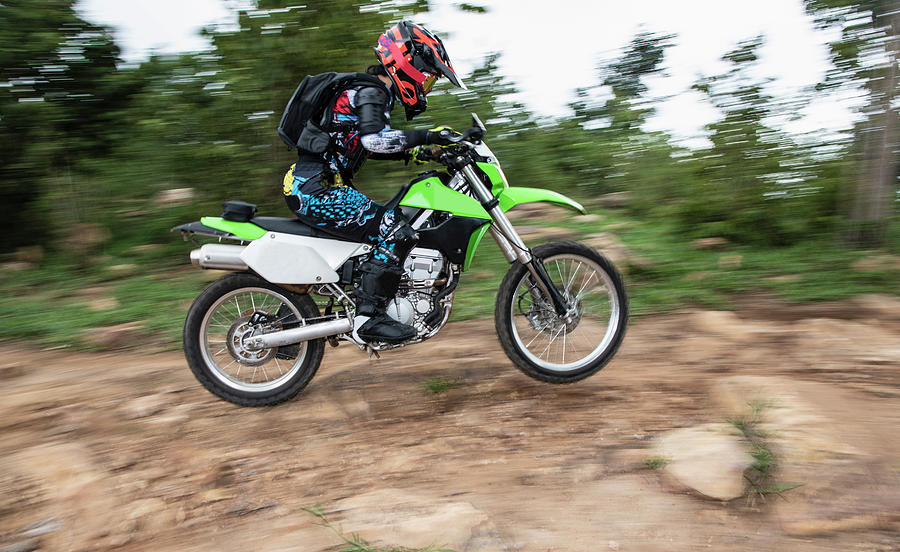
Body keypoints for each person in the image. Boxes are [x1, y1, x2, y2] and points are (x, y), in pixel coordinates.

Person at [282, 22, 466, 344]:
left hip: (317, 185)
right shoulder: (372, 91)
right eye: (430, 79)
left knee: (383, 230)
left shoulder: (371, 93)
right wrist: (430, 134)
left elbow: (364, 143)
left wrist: (427, 152)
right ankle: (368, 317)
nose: (429, 88)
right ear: (411, 66)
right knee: (394, 228)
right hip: (317, 189)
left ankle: (364, 302)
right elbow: (374, 141)